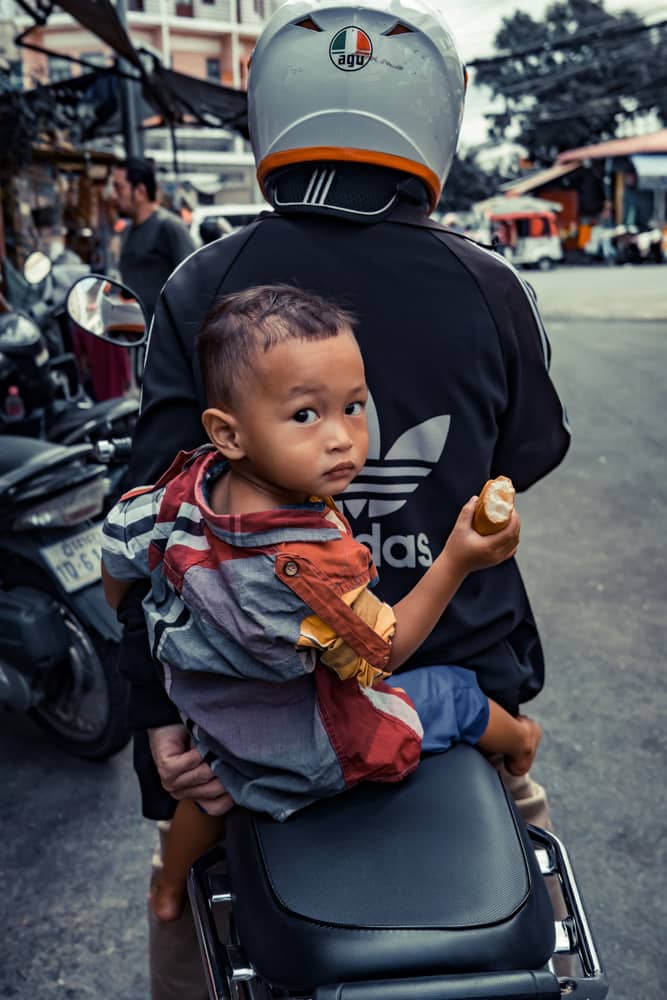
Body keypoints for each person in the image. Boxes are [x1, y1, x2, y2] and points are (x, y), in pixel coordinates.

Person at [115, 3, 571, 996]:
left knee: (182, 900)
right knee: (535, 875)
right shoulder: (489, 283)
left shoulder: (202, 284)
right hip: (455, 683)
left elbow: (149, 514)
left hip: (236, 718)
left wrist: (157, 716)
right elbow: (526, 455)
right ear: (433, 122)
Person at [102, 283, 540, 922]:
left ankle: (169, 889)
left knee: (210, 795)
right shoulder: (307, 567)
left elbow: (119, 568)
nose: (343, 438)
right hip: (315, 749)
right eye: (306, 415)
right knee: (457, 694)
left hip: (223, 729)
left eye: (355, 406)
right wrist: (456, 560)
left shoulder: (177, 494)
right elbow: (382, 649)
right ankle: (523, 740)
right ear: (228, 432)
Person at [111, 156, 196, 323]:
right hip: (137, 332)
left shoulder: (169, 226)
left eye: (119, 188)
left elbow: (194, 281)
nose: (114, 196)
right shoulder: (127, 231)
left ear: (140, 191)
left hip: (165, 335)